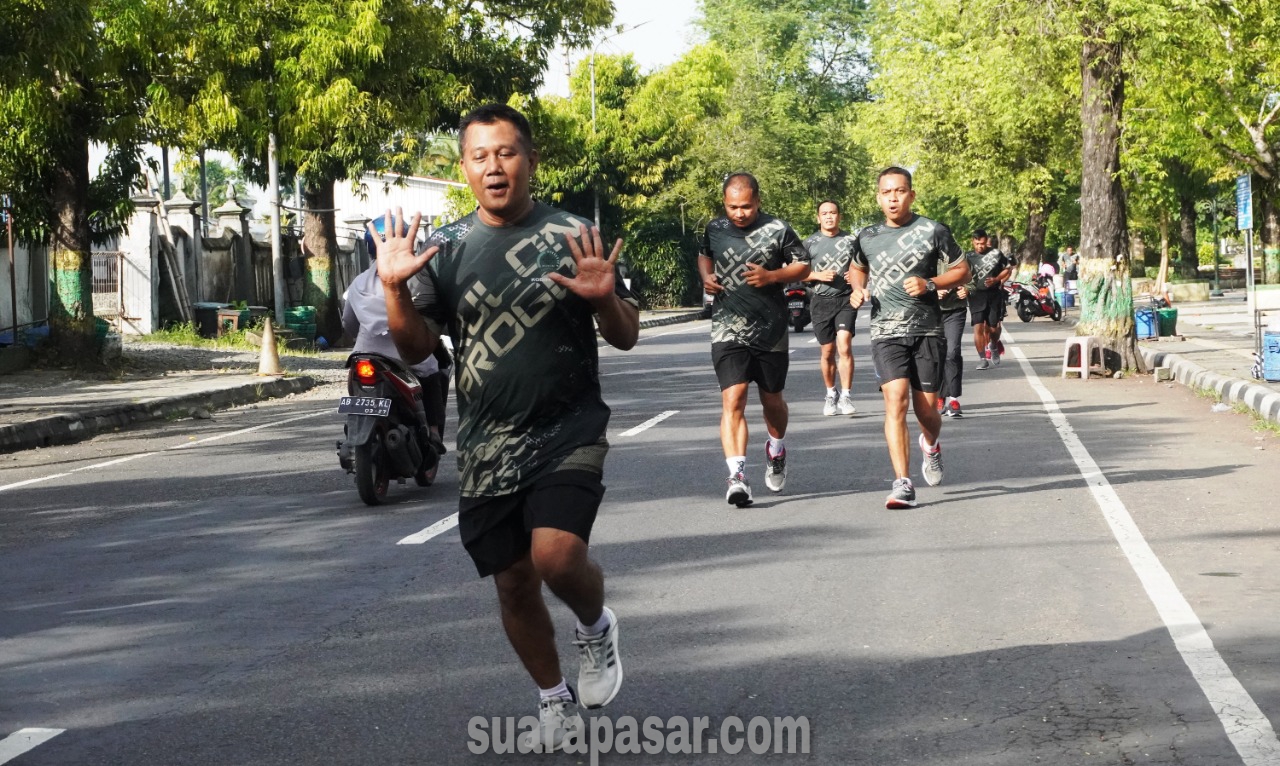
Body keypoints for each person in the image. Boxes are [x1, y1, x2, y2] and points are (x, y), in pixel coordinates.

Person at [375, 104, 639, 752]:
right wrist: (394, 291)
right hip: (489, 443)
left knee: (555, 556)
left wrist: (605, 296)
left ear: (531, 159)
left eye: (507, 152)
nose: (494, 166)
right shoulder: (449, 249)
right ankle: (554, 698)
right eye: (480, 156)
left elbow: (625, 335)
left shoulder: (574, 233)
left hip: (569, 428)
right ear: (464, 167)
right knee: (514, 580)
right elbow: (415, 350)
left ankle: (595, 625)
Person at [848, 167, 970, 509]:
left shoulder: (933, 230)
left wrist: (931, 284)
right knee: (895, 400)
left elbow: (963, 270)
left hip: (927, 329)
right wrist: (858, 290)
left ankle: (930, 445)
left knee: (927, 411)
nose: (893, 198)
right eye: (886, 192)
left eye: (899, 191)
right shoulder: (867, 235)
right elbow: (857, 268)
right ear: (878, 197)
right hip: (885, 331)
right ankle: (902, 482)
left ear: (911, 195)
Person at [699, 173, 812, 506]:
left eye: (746, 206)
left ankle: (776, 448)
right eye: (733, 206)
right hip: (726, 325)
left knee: (771, 401)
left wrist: (773, 276)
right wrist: (706, 276)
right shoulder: (714, 229)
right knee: (733, 400)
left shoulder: (778, 229)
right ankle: (737, 476)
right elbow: (704, 254)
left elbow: (804, 265)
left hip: (769, 328)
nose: (739, 213)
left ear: (758, 201)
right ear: (725, 204)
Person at [342, 214, 450, 471]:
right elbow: (430, 318)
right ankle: (434, 432)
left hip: (365, 354)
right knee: (433, 371)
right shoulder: (416, 279)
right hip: (405, 354)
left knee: (354, 381)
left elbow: (348, 325)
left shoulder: (357, 283)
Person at [803, 200, 858, 417]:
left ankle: (846, 396)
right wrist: (817, 275)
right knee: (827, 351)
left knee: (844, 344)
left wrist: (855, 275)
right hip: (821, 301)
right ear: (818, 218)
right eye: (824, 213)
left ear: (839, 216)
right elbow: (797, 272)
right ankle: (830, 394)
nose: (829, 216)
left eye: (833, 213)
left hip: (846, 299)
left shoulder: (852, 240)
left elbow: (865, 266)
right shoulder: (809, 243)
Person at [966, 229, 1014, 370]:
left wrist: (996, 279)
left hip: (993, 294)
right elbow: (961, 273)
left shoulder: (996, 254)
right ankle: (982, 358)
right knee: (978, 327)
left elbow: (1007, 269)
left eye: (982, 243)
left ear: (986, 241)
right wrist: (964, 287)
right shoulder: (967, 256)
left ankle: (993, 344)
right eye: (976, 243)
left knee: (993, 328)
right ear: (972, 242)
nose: (979, 246)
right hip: (976, 295)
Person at [935, 275, 968, 419]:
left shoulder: (959, 258)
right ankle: (939, 396)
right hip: (931, 312)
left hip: (955, 310)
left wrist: (968, 289)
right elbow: (915, 278)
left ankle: (954, 399)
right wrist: (932, 290)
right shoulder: (924, 255)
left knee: (952, 352)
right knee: (935, 355)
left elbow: (973, 277)